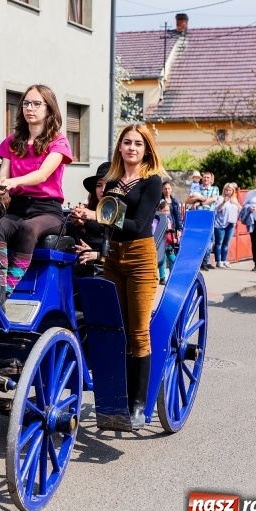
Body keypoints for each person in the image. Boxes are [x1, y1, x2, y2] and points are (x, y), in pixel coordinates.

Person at [102, 123, 164, 430]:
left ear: (146, 149)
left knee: (139, 332)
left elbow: (139, 224)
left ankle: (139, 406)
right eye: (126, 142)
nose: (131, 148)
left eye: (138, 144)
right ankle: (119, 399)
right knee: (117, 331)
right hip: (112, 259)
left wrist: (101, 217)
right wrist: (84, 220)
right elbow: (102, 227)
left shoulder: (152, 182)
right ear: (120, 147)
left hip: (140, 258)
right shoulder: (112, 181)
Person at [0, 84, 72, 304]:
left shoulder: (59, 142)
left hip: (48, 211)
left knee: (28, 228)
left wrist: (12, 182)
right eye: (26, 103)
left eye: (36, 104)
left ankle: (7, 289)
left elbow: (42, 175)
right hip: (18, 207)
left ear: (49, 109)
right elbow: (1, 182)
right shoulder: (11, 142)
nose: (30, 108)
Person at [71, 161, 110, 266]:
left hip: (107, 271)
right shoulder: (86, 211)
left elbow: (124, 253)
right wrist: (76, 219)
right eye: (99, 185)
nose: (103, 190)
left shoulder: (124, 215)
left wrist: (96, 255)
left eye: (108, 184)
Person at [187, 171, 220, 270]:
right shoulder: (197, 188)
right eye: (204, 177)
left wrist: (199, 203)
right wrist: (198, 198)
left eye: (208, 178)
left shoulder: (214, 188)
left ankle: (205, 261)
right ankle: (200, 262)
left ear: (211, 180)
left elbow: (213, 199)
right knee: (199, 239)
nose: (205, 179)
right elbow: (188, 200)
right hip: (198, 216)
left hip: (209, 216)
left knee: (209, 240)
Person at [213, 182, 241, 268]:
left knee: (226, 243)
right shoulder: (220, 198)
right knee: (219, 243)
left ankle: (224, 260)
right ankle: (218, 261)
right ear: (224, 190)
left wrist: (235, 203)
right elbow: (217, 209)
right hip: (220, 224)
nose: (228, 192)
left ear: (233, 191)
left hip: (231, 223)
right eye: (226, 190)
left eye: (230, 190)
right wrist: (223, 202)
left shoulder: (234, 200)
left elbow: (241, 209)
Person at [156, 201, 177, 284]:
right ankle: (162, 278)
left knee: (173, 259)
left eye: (167, 210)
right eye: (164, 210)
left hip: (169, 244)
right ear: (160, 210)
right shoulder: (159, 219)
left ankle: (174, 275)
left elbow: (171, 231)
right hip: (162, 243)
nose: (166, 212)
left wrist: (174, 237)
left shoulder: (168, 219)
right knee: (162, 260)